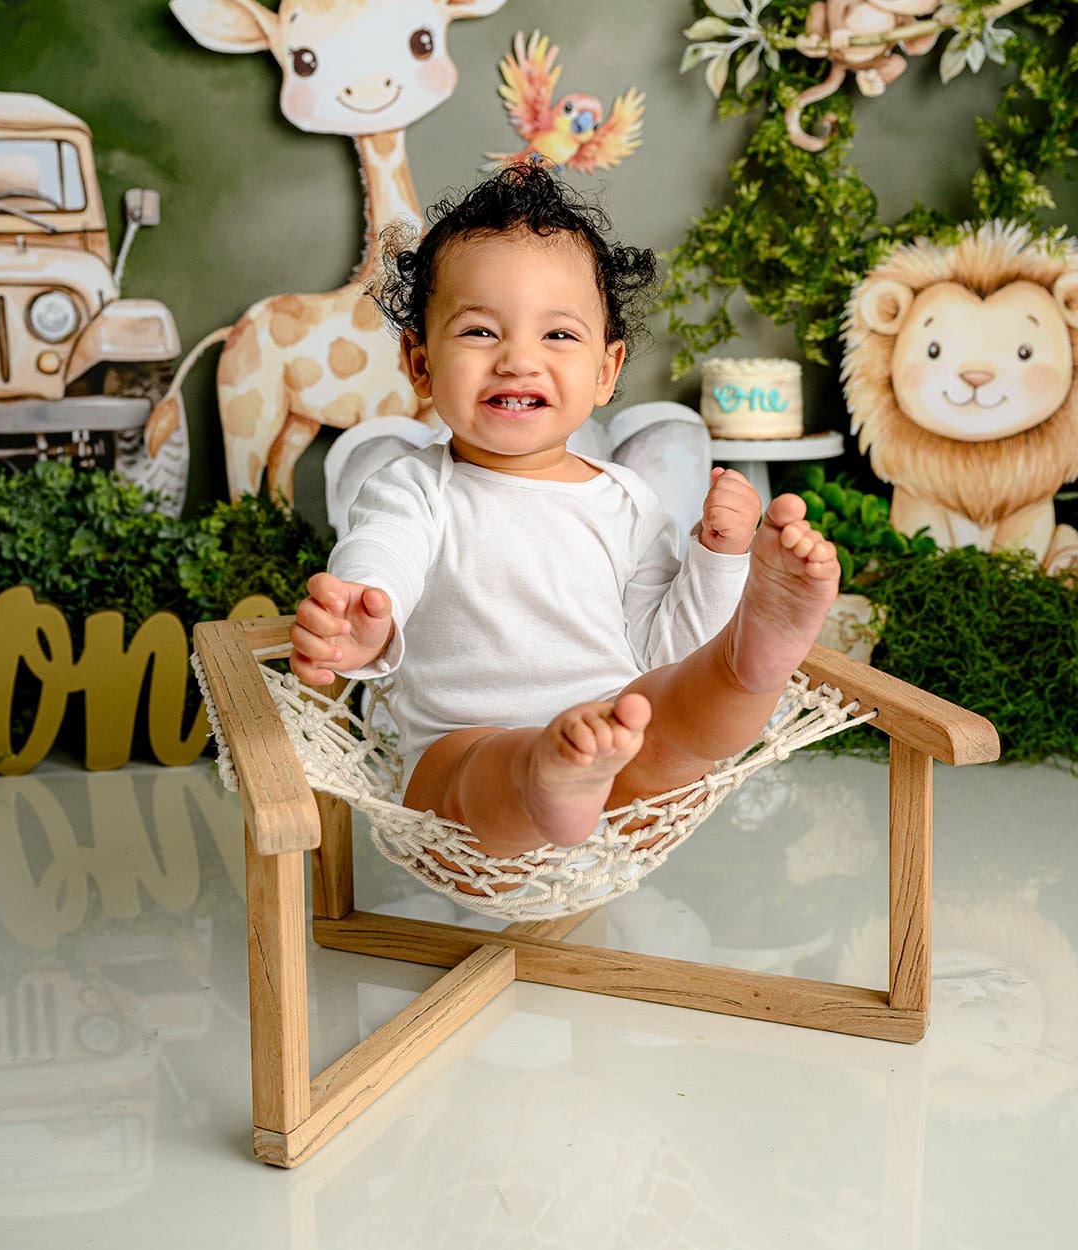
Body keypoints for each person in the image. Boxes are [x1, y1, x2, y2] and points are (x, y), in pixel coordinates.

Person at [289, 166, 839, 857]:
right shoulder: (416, 488)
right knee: (483, 768)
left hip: (621, 763)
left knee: (677, 711)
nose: (518, 360)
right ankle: (546, 777)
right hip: (463, 775)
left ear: (606, 371)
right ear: (419, 363)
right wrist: (367, 612)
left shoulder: (624, 501)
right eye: (480, 333)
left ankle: (753, 663)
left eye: (558, 336)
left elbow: (662, 648)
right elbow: (385, 551)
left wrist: (717, 559)